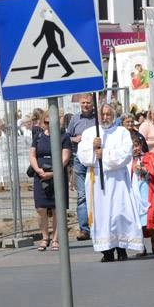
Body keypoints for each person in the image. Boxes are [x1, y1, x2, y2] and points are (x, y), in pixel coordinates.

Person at [78, 103, 145, 262]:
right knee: (102, 215)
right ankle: (106, 250)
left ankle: (121, 247)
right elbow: (82, 154)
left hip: (117, 179)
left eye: (108, 114)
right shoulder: (89, 133)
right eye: (102, 114)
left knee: (118, 213)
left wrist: (105, 154)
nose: (105, 117)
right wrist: (92, 147)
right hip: (97, 179)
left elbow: (125, 153)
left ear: (113, 116)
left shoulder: (121, 132)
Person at [28, 114, 71, 252]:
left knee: (57, 208)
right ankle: (44, 237)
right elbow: (32, 155)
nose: (49, 125)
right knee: (40, 208)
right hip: (40, 175)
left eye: (52, 122)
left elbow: (65, 158)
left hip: (57, 176)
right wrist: (38, 170)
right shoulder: (39, 137)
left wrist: (53, 173)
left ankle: (56, 239)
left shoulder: (64, 137)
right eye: (46, 122)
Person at [66, 94, 96, 241]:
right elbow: (66, 137)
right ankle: (84, 229)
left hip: (96, 161)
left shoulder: (98, 119)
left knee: (98, 193)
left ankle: (98, 226)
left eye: (88, 103)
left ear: (92, 104)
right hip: (79, 160)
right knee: (82, 195)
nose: (86, 105)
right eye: (83, 103)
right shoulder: (74, 119)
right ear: (80, 104)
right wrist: (75, 139)